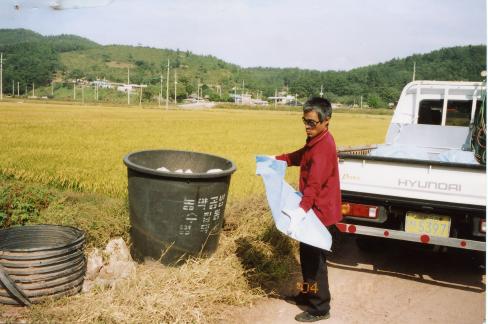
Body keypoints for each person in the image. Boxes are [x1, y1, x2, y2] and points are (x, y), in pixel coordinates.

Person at [274, 97, 342, 322]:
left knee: (315, 261)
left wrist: (301, 211)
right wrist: (278, 160)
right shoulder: (315, 140)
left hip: (319, 213)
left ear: (326, 121)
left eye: (312, 122)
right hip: (313, 210)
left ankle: (320, 308)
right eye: (305, 121)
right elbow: (301, 156)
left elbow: (314, 184)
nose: (307, 126)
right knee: (307, 257)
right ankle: (307, 294)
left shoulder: (324, 147)